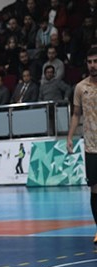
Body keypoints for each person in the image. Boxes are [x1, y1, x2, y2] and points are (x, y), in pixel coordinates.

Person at [67, 47, 97, 245]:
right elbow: (76, 114)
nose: (93, 65)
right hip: (91, 146)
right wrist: (69, 137)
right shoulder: (80, 88)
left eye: (96, 61)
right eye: (90, 62)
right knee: (95, 190)